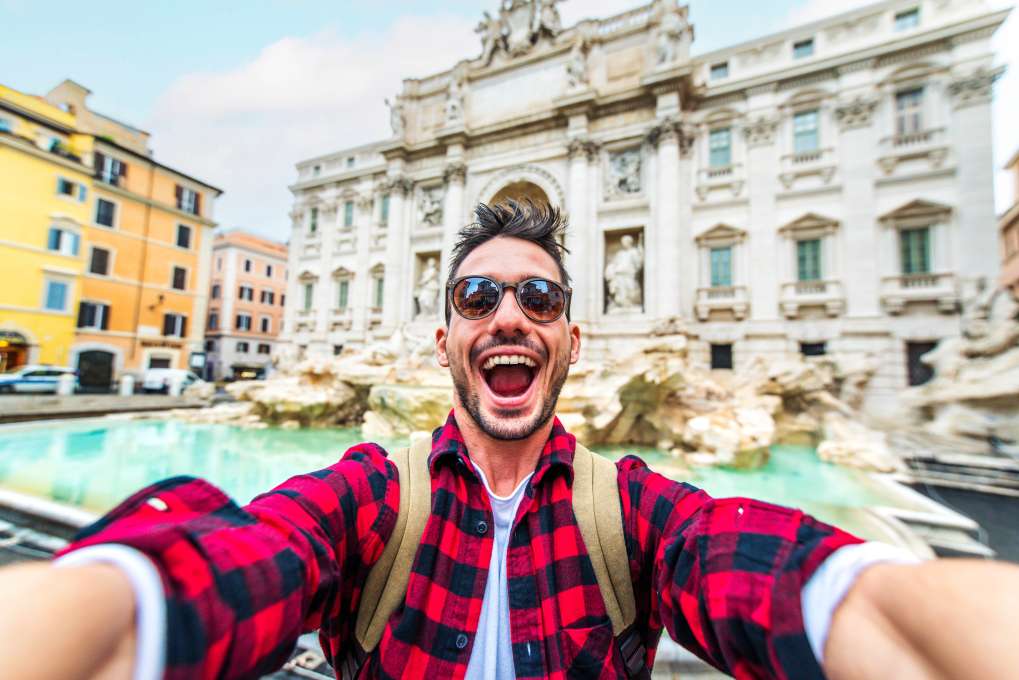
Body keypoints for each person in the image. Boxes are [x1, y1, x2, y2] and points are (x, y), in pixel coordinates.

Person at [1, 200, 1018, 680]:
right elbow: (243, 554)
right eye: (476, 295)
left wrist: (904, 610)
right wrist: (101, 602)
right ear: (443, 335)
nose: (507, 315)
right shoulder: (369, 495)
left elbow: (774, 570)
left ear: (572, 336)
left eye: (537, 295)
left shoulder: (631, 509)